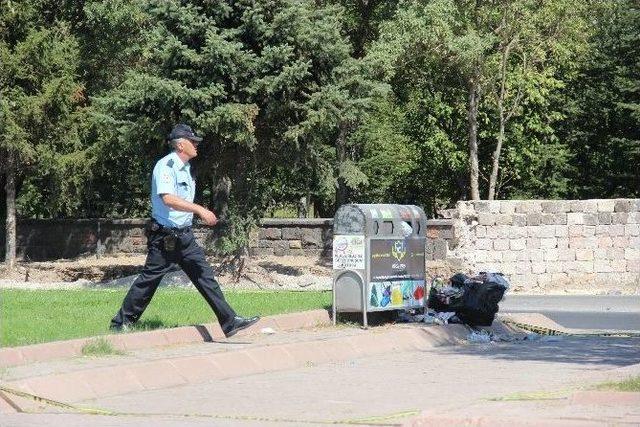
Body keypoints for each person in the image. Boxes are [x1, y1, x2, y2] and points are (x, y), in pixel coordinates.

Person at [110, 124, 259, 337]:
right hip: (164, 236)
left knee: (204, 276)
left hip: (184, 236)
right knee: (149, 280)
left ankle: (229, 321)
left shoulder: (186, 169)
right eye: (192, 141)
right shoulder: (166, 166)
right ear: (181, 145)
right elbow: (168, 198)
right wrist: (200, 209)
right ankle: (120, 324)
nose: (196, 144)